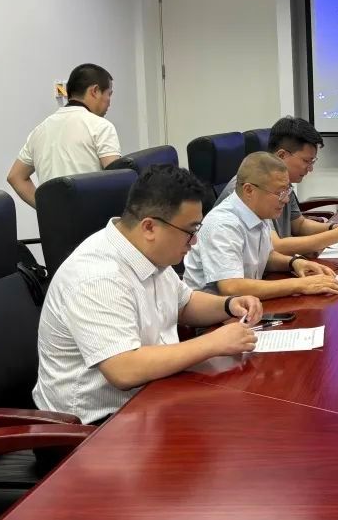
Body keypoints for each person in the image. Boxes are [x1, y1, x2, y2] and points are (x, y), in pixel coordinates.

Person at [33, 165, 264, 425]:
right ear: (149, 227)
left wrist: (229, 305)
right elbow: (124, 369)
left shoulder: (149, 252)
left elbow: (184, 303)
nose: (194, 242)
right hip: (94, 426)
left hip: (151, 395)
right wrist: (212, 343)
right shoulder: (97, 276)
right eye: (190, 231)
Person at [184, 152, 338, 300]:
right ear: (249, 190)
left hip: (244, 306)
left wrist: (295, 262)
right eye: (279, 193)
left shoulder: (259, 210)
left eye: (287, 191)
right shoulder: (222, 224)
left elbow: (263, 257)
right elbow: (231, 287)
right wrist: (300, 285)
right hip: (213, 317)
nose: (285, 200)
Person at [215, 116, 338, 256]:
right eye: (306, 161)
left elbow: (299, 225)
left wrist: (335, 227)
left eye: (312, 162)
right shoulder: (251, 190)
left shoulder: (283, 184)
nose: (310, 168)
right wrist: (337, 235)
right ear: (282, 155)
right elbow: (274, 247)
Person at [7, 63, 121, 208]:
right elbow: (117, 181)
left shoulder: (40, 130)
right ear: (95, 91)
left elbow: (15, 177)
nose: (109, 102)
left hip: (54, 221)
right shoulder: (101, 126)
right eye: (109, 94)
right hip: (94, 219)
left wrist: (46, 209)